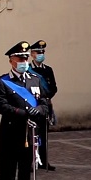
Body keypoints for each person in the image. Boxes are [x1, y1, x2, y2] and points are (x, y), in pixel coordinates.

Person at [0, 41, 48, 180]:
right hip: (12, 132)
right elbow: (1, 106)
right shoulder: (2, 82)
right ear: (11, 61)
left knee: (26, 170)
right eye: (20, 58)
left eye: (26, 57)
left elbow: (44, 103)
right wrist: (23, 113)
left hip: (31, 132)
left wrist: (38, 110)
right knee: (8, 171)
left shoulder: (35, 79)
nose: (24, 60)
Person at [29, 40, 58, 171]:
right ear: (32, 54)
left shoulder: (48, 70)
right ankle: (31, 161)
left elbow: (53, 87)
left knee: (43, 135)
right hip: (33, 106)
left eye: (42, 52)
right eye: (38, 52)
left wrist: (46, 98)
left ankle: (44, 161)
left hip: (45, 105)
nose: (41, 54)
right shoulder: (29, 70)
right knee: (31, 135)